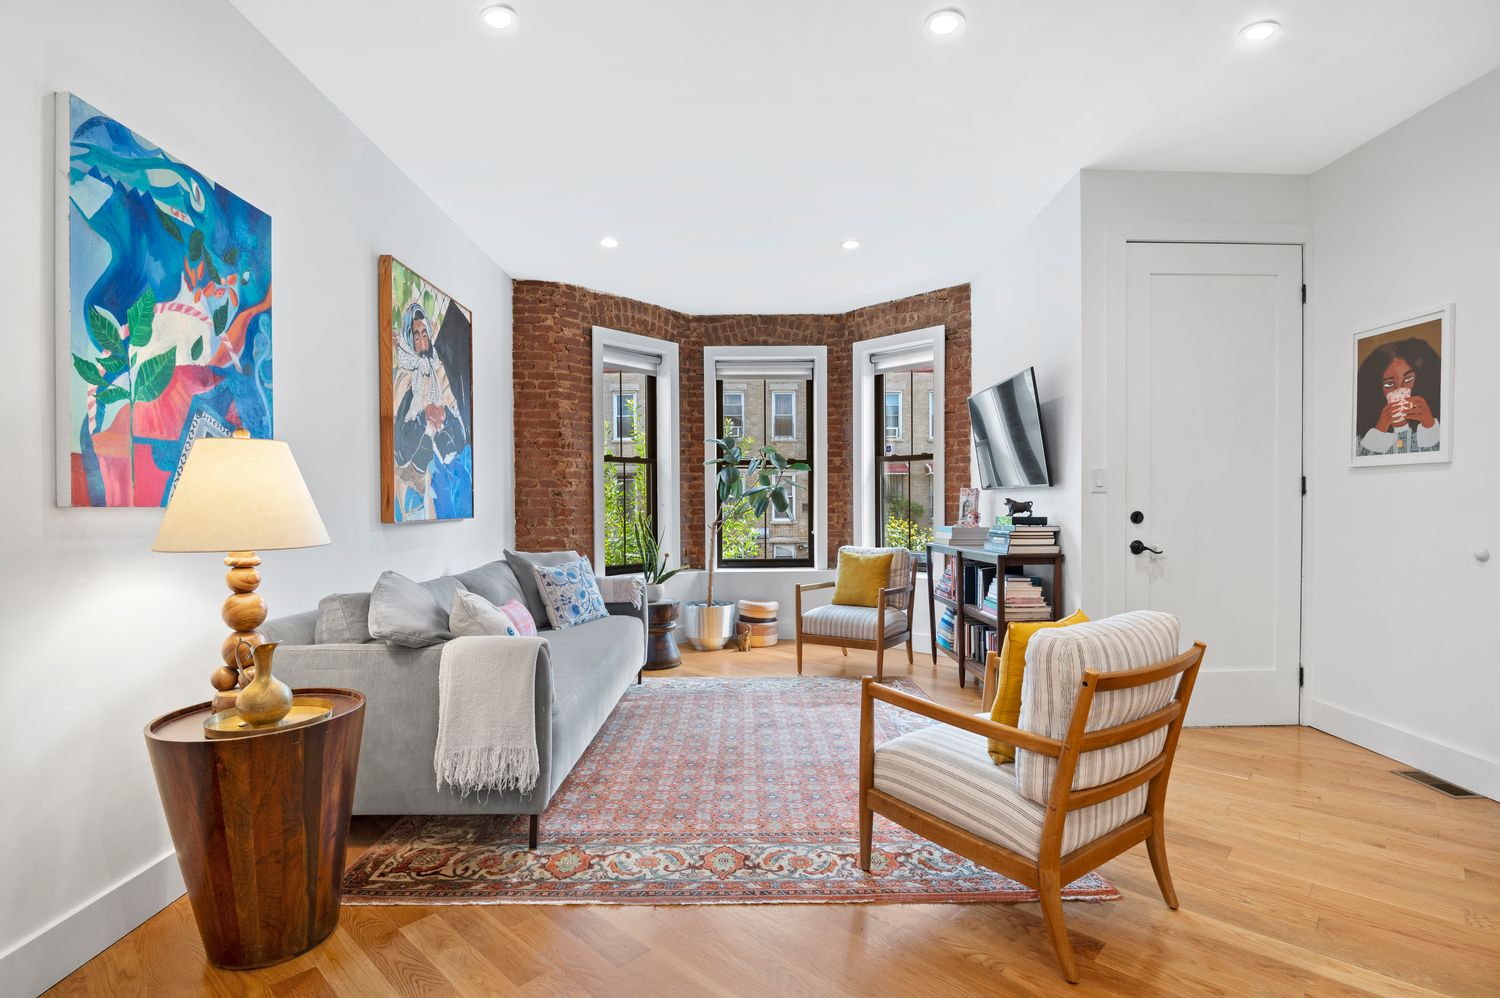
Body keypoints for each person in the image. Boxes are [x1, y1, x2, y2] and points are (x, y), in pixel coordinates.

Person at [392, 301, 466, 518]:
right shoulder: (404, 376)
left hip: (440, 470)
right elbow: (399, 442)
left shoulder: (438, 369)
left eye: (425, 334)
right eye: (416, 337)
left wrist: (445, 415)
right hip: (411, 479)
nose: (423, 342)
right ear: (409, 340)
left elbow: (458, 427)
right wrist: (424, 415)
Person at [1355, 337, 1441, 457]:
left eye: (1408, 379)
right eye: (1389, 384)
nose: (1399, 389)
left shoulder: (1440, 427)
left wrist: (1429, 425)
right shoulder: (1362, 437)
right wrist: (1379, 430)